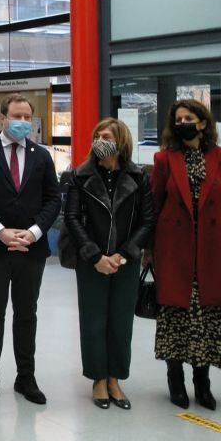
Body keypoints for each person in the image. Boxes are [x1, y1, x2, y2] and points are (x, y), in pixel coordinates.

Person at [0, 93, 61, 405]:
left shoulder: (42, 156)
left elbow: (53, 199)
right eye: (15, 116)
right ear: (2, 118)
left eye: (26, 118)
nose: (21, 123)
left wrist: (33, 233)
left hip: (31, 250)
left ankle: (25, 377)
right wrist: (0, 231)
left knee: (26, 313)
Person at [150, 99, 221, 410]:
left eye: (189, 118)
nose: (183, 123)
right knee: (176, 317)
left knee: (207, 318)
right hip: (174, 250)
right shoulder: (164, 160)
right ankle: (175, 380)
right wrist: (149, 250)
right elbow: (154, 206)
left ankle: (202, 383)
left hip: (211, 251)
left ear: (202, 123)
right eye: (178, 119)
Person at [63, 118, 156, 410]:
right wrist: (94, 256)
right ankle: (98, 379)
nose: (101, 140)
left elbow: (147, 220)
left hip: (125, 262)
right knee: (93, 320)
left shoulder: (139, 177)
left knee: (120, 322)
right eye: (98, 135)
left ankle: (115, 378)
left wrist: (125, 254)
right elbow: (72, 218)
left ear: (121, 142)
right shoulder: (80, 175)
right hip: (91, 261)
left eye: (108, 136)